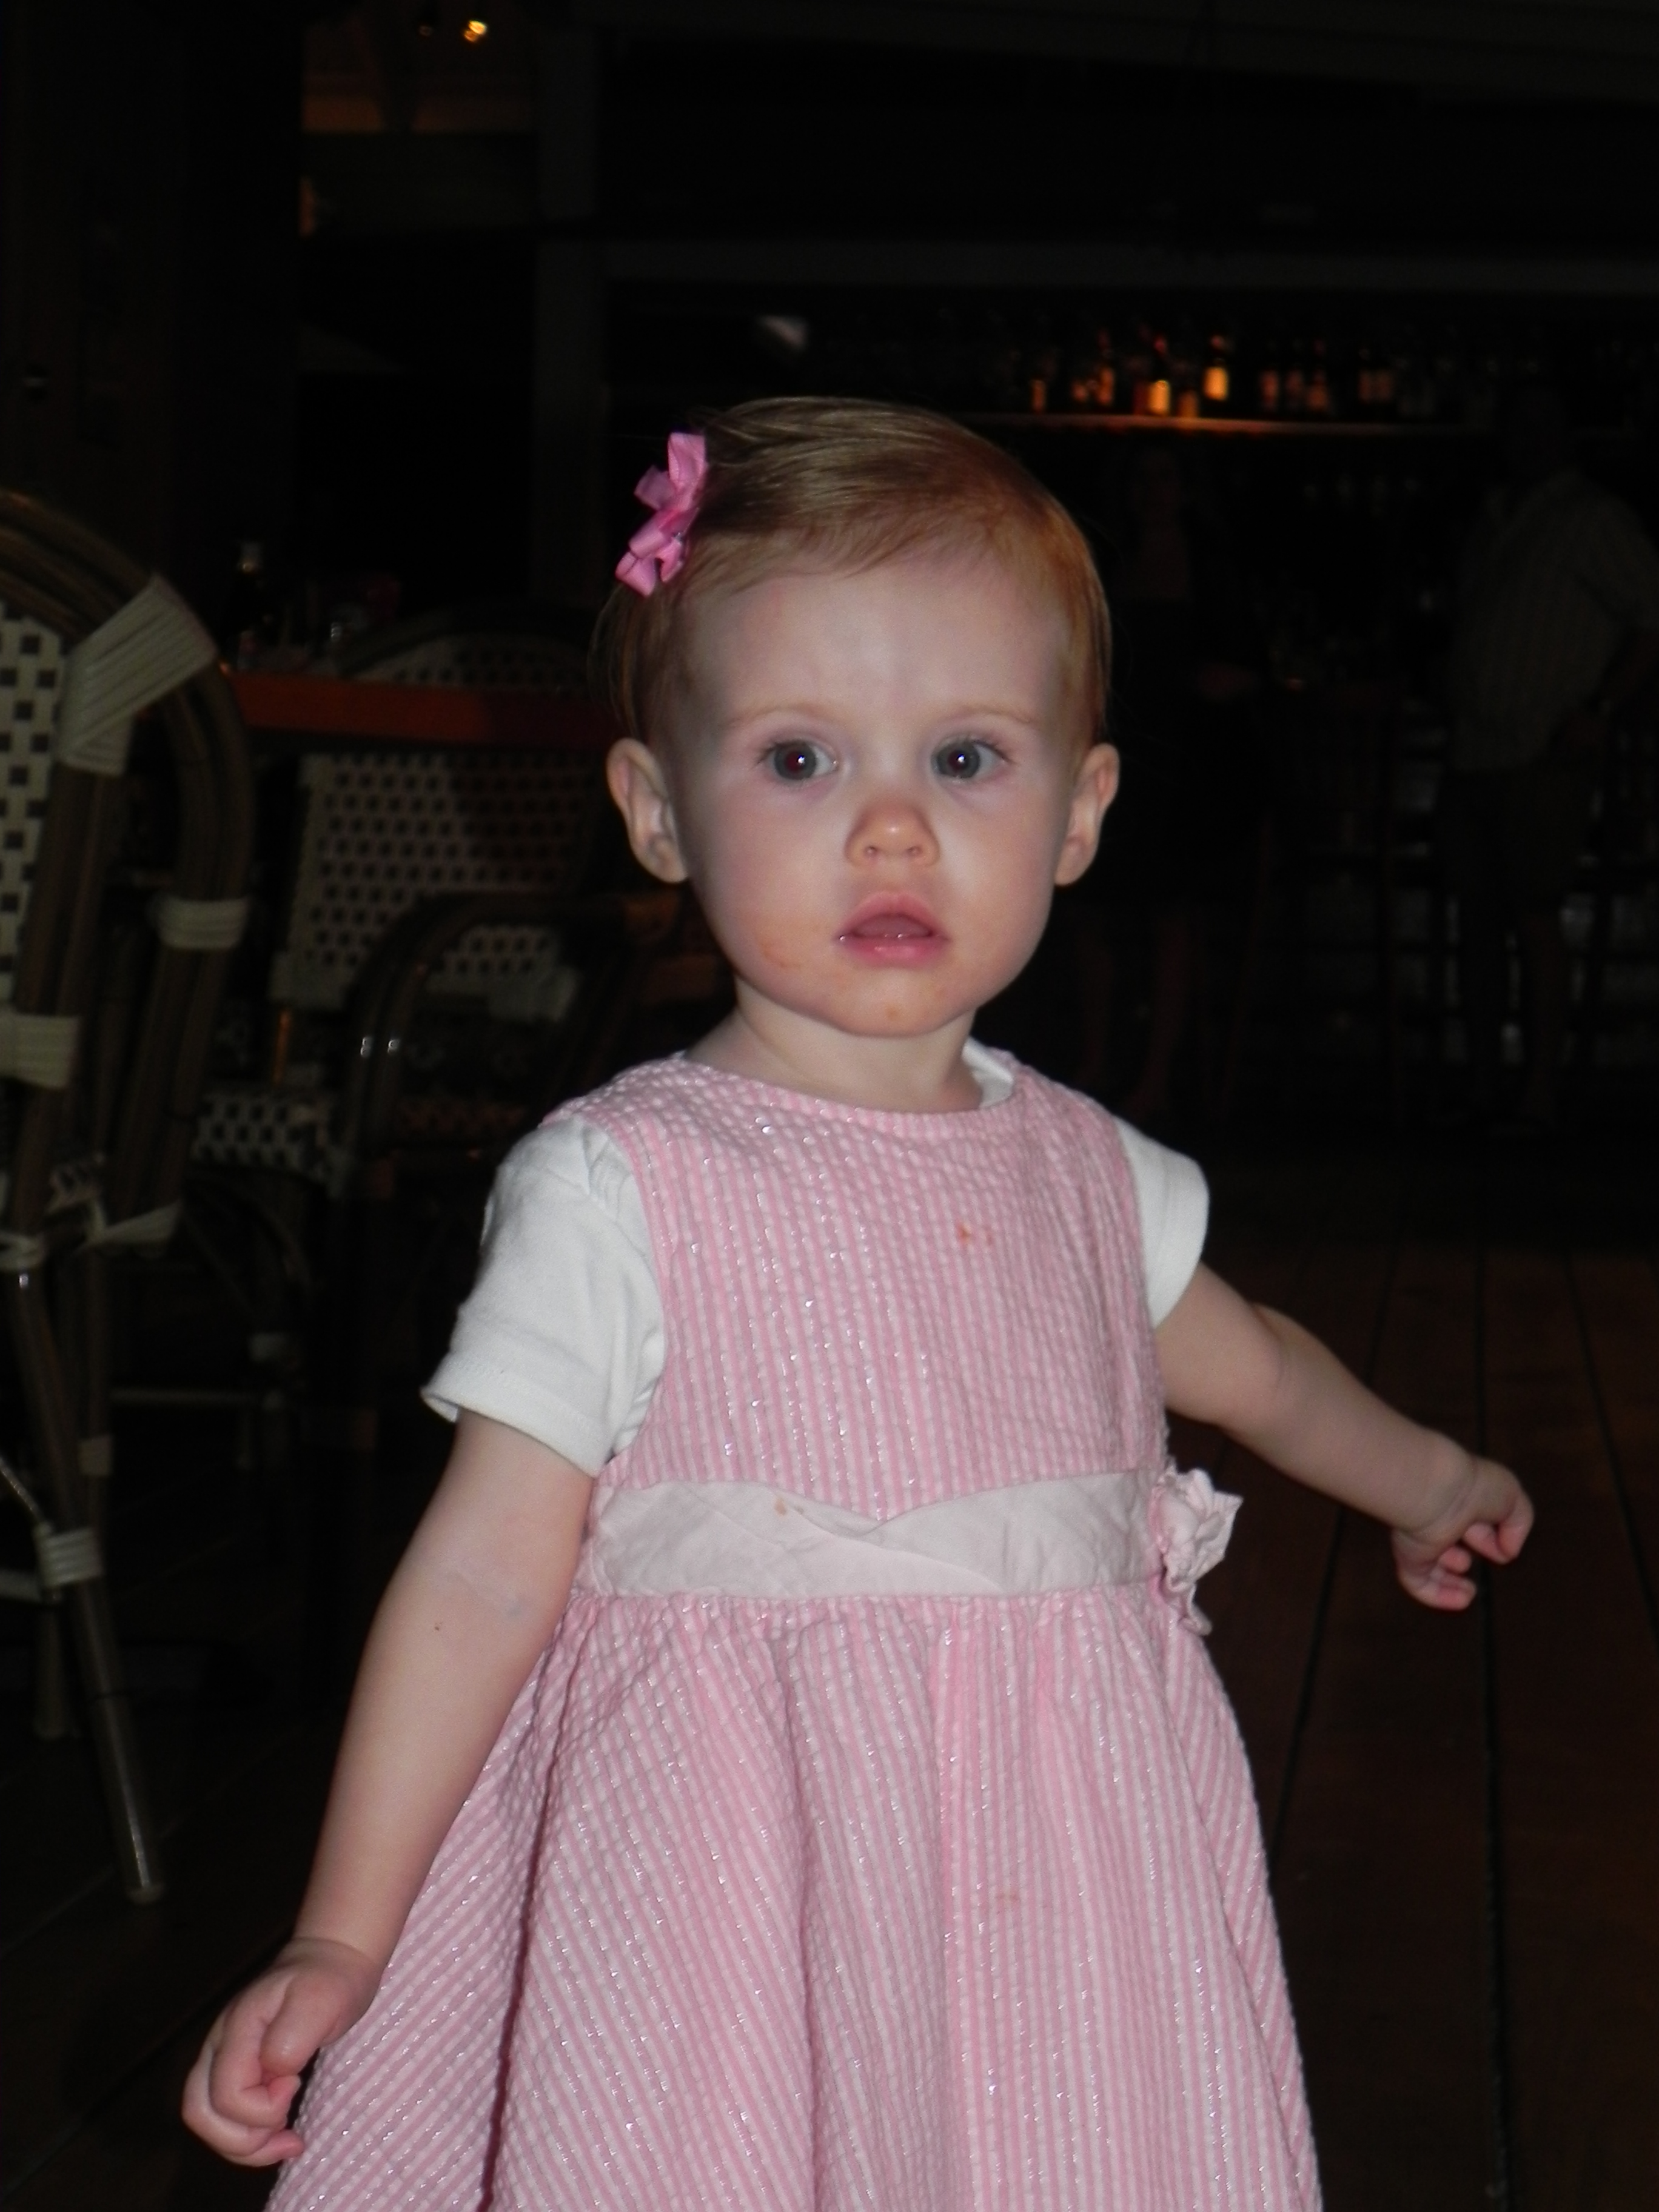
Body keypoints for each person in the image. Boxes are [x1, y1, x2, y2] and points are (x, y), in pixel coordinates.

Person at [184, 401, 1531, 2210]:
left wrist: (1426, 1476)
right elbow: (484, 1579)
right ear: (657, 810)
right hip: (728, 1901)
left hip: (1064, 1916)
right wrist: (344, 1931)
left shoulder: (1089, 1177)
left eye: (966, 758)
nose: (891, 827)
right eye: (800, 758)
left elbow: (1264, 1376)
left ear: (1080, 812)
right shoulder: (624, 1185)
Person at [1443, 384, 1659, 1130]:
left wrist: (1601, 709)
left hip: (1544, 747)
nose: (1528, 436)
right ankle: (1482, 1082)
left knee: (1534, 913)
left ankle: (1539, 1090)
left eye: (1543, 422)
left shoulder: (1594, 518)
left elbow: (1653, 616)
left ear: (1568, 432)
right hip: (1475, 745)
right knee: (1477, 919)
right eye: (1518, 421)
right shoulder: (1497, 515)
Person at [1067, 443, 1261, 1117]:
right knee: (1088, 906)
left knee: (1168, 915)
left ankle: (1154, 1076)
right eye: (1142, 476)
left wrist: (1212, 684)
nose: (1152, 491)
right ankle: (1094, 1061)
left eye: (1165, 477)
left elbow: (1249, 666)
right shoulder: (1106, 559)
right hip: (1115, 753)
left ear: (1186, 488)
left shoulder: (1212, 566)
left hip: (1185, 763)